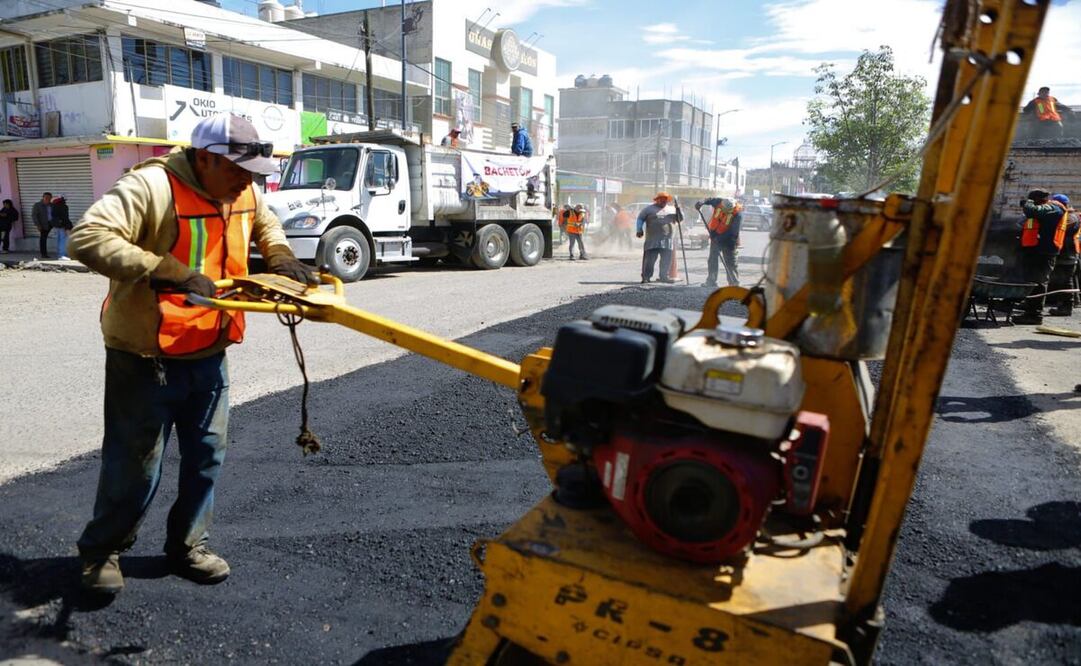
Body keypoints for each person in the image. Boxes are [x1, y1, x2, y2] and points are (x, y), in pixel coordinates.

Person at [68, 114, 319, 595]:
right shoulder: (152, 187)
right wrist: (169, 270)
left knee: (206, 455)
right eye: (238, 168)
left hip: (209, 349)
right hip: (145, 355)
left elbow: (264, 222)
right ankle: (101, 552)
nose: (248, 179)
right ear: (205, 157)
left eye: (254, 171)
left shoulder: (242, 189)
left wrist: (281, 254)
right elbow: (88, 237)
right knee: (135, 463)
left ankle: (188, 545)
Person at [1014, 188, 1069, 325]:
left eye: (1033, 200)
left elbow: (1032, 211)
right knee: (1032, 280)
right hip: (1038, 250)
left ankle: (1034, 315)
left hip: (1046, 252)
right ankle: (1029, 307)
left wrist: (1028, 203)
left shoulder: (1054, 208)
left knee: (1038, 282)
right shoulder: (1046, 208)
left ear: (1038, 200)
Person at [696, 197, 743, 287]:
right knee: (712, 260)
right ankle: (711, 281)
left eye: (728, 210)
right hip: (715, 237)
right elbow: (708, 200)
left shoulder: (738, 214)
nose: (725, 211)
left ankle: (734, 283)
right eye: (724, 209)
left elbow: (733, 232)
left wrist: (719, 238)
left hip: (729, 241)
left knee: (730, 262)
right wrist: (701, 202)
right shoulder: (719, 202)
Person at [636, 192, 680, 284]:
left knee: (666, 260)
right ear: (657, 199)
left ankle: (664, 276)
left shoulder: (672, 209)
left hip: (667, 239)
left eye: (665, 199)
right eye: (661, 199)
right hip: (652, 239)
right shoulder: (648, 209)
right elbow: (640, 219)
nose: (663, 201)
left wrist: (678, 209)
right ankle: (646, 277)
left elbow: (680, 219)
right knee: (649, 260)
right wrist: (639, 229)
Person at [1047, 194, 1079, 316]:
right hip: (1066, 253)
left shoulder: (1070, 218)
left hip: (1067, 254)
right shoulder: (1068, 216)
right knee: (1064, 281)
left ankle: (1066, 308)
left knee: (1065, 282)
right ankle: (1065, 306)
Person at [51, 194, 73, 260]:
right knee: (63, 240)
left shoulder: (53, 205)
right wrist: (68, 227)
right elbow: (65, 218)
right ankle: (62, 255)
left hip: (55, 225)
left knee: (58, 240)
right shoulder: (64, 206)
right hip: (62, 225)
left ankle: (59, 254)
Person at [31, 192, 53, 259]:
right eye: (46, 198)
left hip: (51, 223)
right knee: (43, 239)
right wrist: (38, 225)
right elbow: (34, 215)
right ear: (43, 197)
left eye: (49, 198)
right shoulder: (37, 205)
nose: (48, 199)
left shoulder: (52, 205)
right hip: (43, 225)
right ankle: (44, 254)